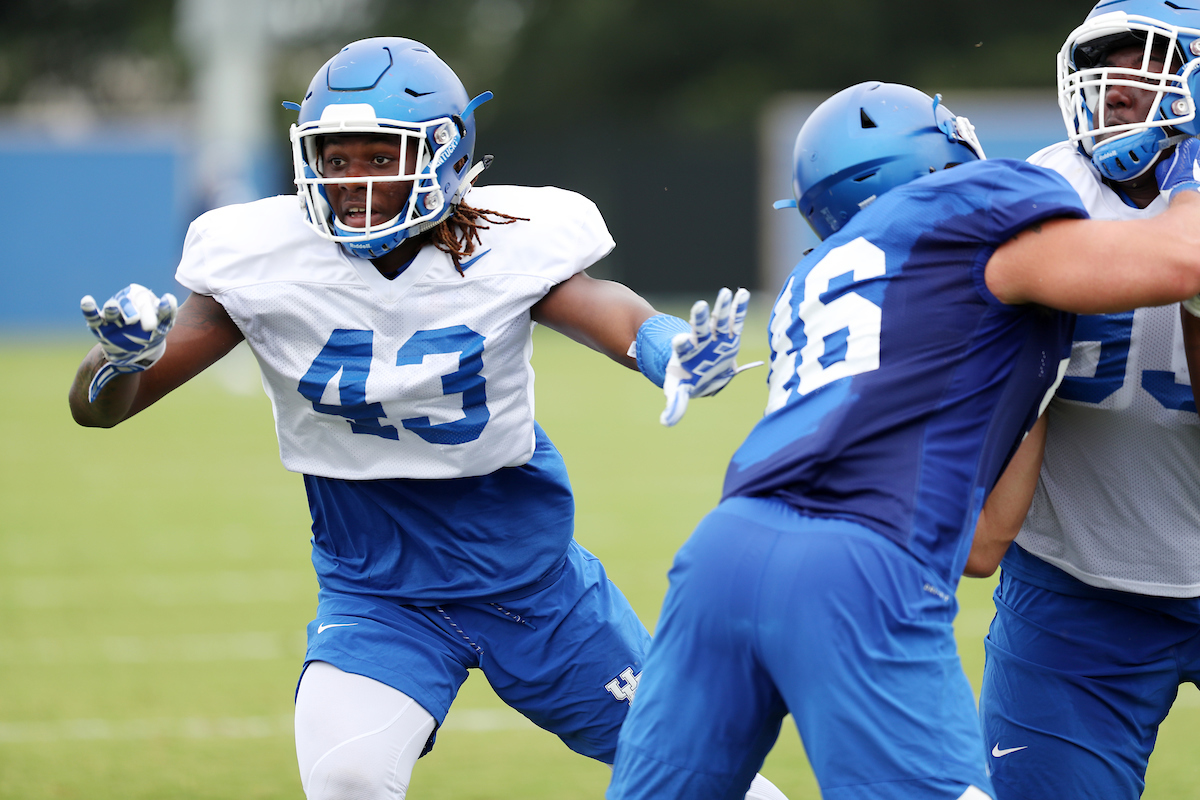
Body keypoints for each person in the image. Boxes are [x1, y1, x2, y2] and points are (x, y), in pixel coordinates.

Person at [67, 37, 787, 800]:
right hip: (378, 593)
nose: (354, 184)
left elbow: (608, 309)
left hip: (534, 588)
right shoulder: (262, 257)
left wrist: (670, 352)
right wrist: (116, 364)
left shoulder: (506, 243)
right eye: (335, 159)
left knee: (704, 779)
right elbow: (100, 411)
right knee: (346, 778)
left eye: (379, 157)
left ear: (445, 155)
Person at [605, 79, 1200, 800]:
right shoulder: (971, 213)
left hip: (720, 557)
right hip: (859, 562)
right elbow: (1185, 258)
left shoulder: (816, 279)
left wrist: (1038, 382)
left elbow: (983, 546)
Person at [964, 3, 1200, 798]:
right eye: (1113, 60)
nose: (1122, 87)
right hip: (1076, 585)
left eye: (1154, 61)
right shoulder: (1042, 193)